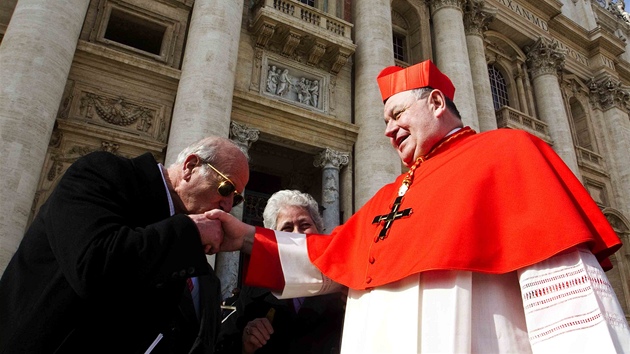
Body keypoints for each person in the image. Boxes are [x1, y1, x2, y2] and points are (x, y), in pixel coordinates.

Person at [208, 59, 630, 353]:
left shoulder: (509, 152)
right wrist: (243, 236)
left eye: (395, 113)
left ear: (435, 103)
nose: (389, 130)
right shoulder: (391, 194)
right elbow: (329, 256)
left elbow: (568, 302)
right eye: (385, 122)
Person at [0, 136, 249, 353]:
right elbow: (94, 268)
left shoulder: (177, 233)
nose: (227, 206)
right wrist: (190, 231)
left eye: (236, 199)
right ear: (190, 167)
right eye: (226, 187)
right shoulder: (102, 173)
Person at [217, 190, 345, 354]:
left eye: (305, 225)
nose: (297, 234)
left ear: (319, 230)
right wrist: (245, 345)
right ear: (273, 238)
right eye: (287, 228)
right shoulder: (255, 290)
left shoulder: (342, 284)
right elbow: (224, 344)